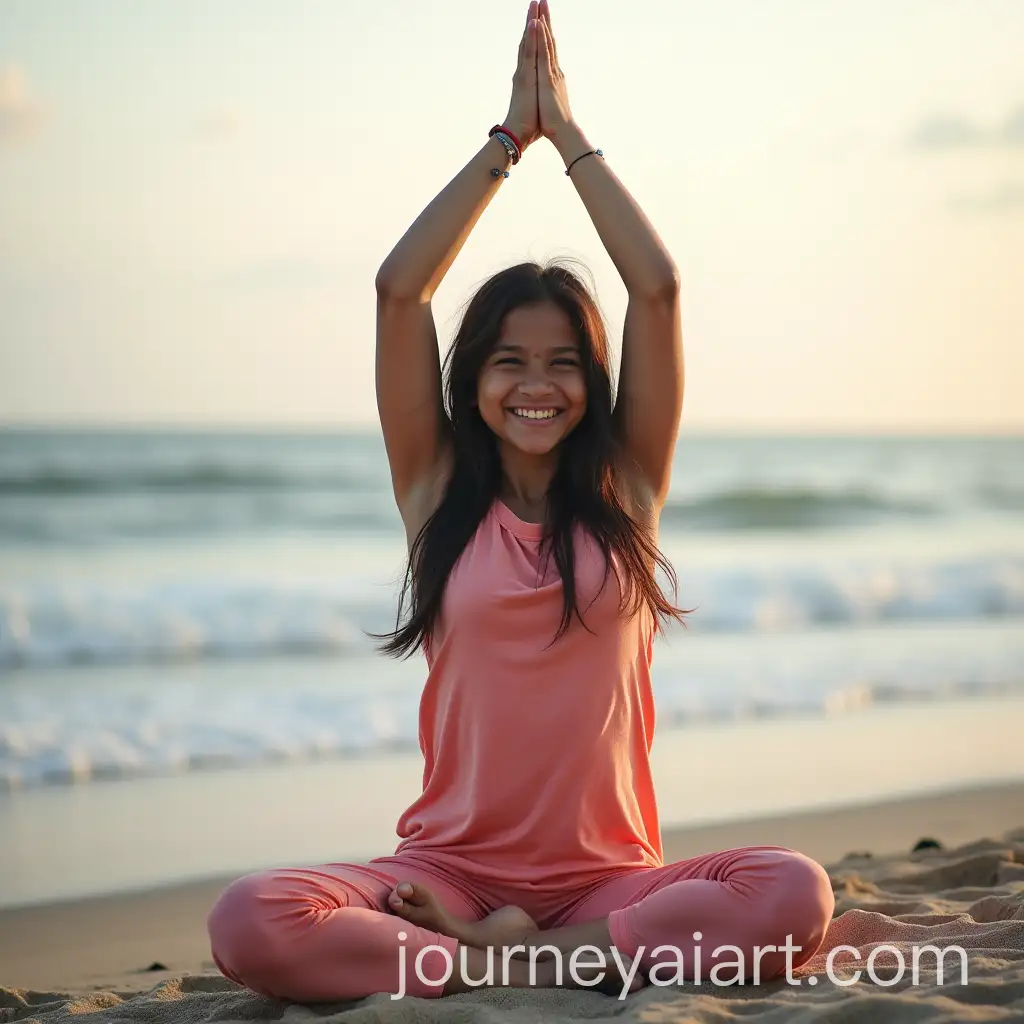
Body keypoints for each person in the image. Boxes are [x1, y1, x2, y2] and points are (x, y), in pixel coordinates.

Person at [206, 0, 834, 1003]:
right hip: (444, 875)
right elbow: (398, 293)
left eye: (561, 362)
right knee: (250, 918)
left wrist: (569, 135)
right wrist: (508, 141)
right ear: (472, 380)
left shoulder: (628, 489)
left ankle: (507, 955)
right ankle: (506, 949)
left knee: (792, 889)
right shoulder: (435, 491)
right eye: (508, 361)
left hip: (610, 879)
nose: (535, 384)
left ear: (592, 379)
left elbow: (659, 289)